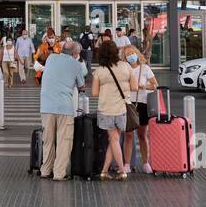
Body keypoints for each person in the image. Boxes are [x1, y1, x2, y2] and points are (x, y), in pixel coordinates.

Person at [37, 39, 86, 180]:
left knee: (48, 140)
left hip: (46, 106)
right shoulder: (76, 65)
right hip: (64, 107)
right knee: (64, 141)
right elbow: (81, 85)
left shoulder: (51, 58)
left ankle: (45, 170)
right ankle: (59, 173)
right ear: (75, 53)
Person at [91, 38, 133, 180]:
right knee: (114, 139)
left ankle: (114, 171)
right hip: (121, 108)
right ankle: (116, 171)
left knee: (113, 139)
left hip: (105, 108)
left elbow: (94, 93)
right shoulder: (126, 66)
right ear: (116, 52)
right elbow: (134, 87)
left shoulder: (99, 71)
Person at [120, 44, 156, 174]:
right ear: (124, 57)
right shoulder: (123, 69)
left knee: (142, 135)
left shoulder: (145, 68)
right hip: (129, 104)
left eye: (132, 53)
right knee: (128, 135)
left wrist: (143, 86)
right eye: (127, 54)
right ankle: (127, 164)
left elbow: (154, 85)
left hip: (142, 103)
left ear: (137, 53)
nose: (130, 56)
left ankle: (146, 163)